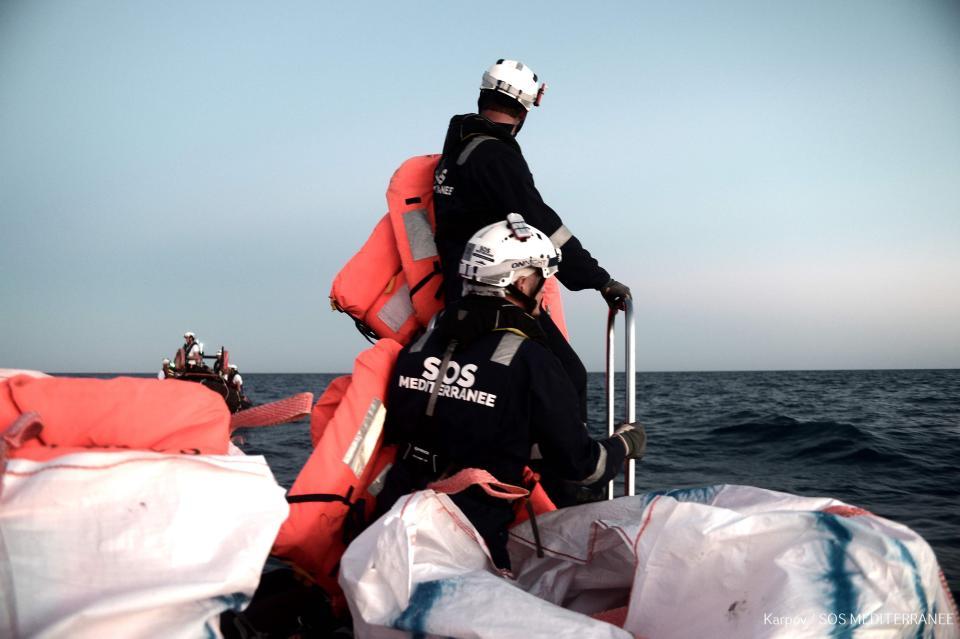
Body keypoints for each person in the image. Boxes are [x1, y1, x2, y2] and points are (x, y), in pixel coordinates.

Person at [375, 215, 646, 570]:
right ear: (520, 280)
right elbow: (585, 468)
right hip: (467, 540)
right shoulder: (532, 359)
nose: (543, 290)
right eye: (541, 279)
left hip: (391, 517)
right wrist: (626, 443)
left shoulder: (420, 343)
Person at [432, 58, 632, 435]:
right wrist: (598, 279)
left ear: (481, 96)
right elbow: (539, 219)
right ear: (525, 110)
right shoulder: (496, 156)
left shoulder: (456, 154)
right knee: (567, 376)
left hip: (458, 295)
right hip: (495, 297)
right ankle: (571, 480)